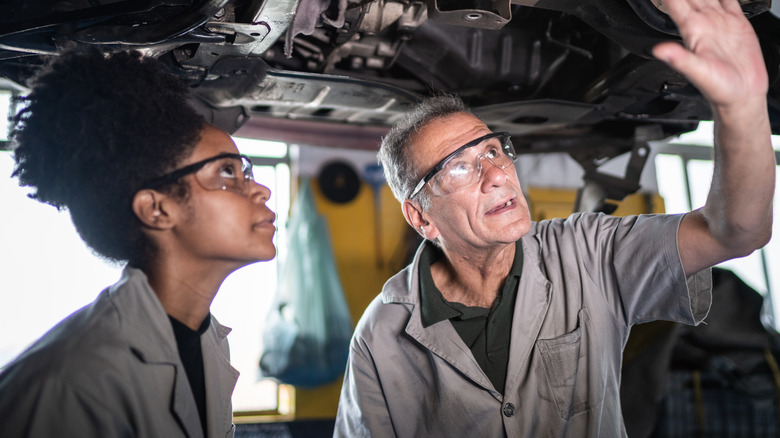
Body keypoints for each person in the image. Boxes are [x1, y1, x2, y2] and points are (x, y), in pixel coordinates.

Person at [334, 0, 775, 436]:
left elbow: (735, 232)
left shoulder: (588, 252)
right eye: (459, 167)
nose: (496, 176)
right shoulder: (381, 336)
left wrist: (741, 107)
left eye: (492, 151)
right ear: (421, 218)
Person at [0, 49, 277, 437]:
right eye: (227, 172)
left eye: (243, 170)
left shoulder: (207, 342)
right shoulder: (68, 384)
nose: (261, 189)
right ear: (156, 209)